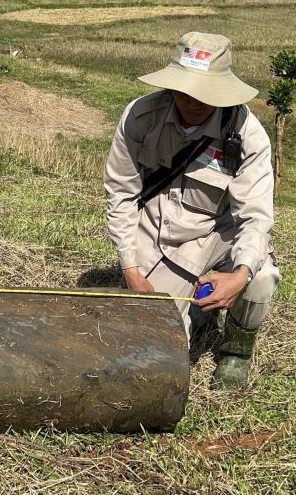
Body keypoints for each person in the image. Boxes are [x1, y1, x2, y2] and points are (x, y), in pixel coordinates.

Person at [104, 32, 279, 389]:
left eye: (206, 92)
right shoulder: (140, 116)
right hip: (157, 237)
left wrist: (240, 275)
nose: (193, 100)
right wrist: (131, 269)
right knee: (156, 353)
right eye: (184, 89)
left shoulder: (248, 136)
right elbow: (121, 194)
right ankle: (197, 313)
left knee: (261, 279)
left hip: (219, 235)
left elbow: (255, 219)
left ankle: (235, 349)